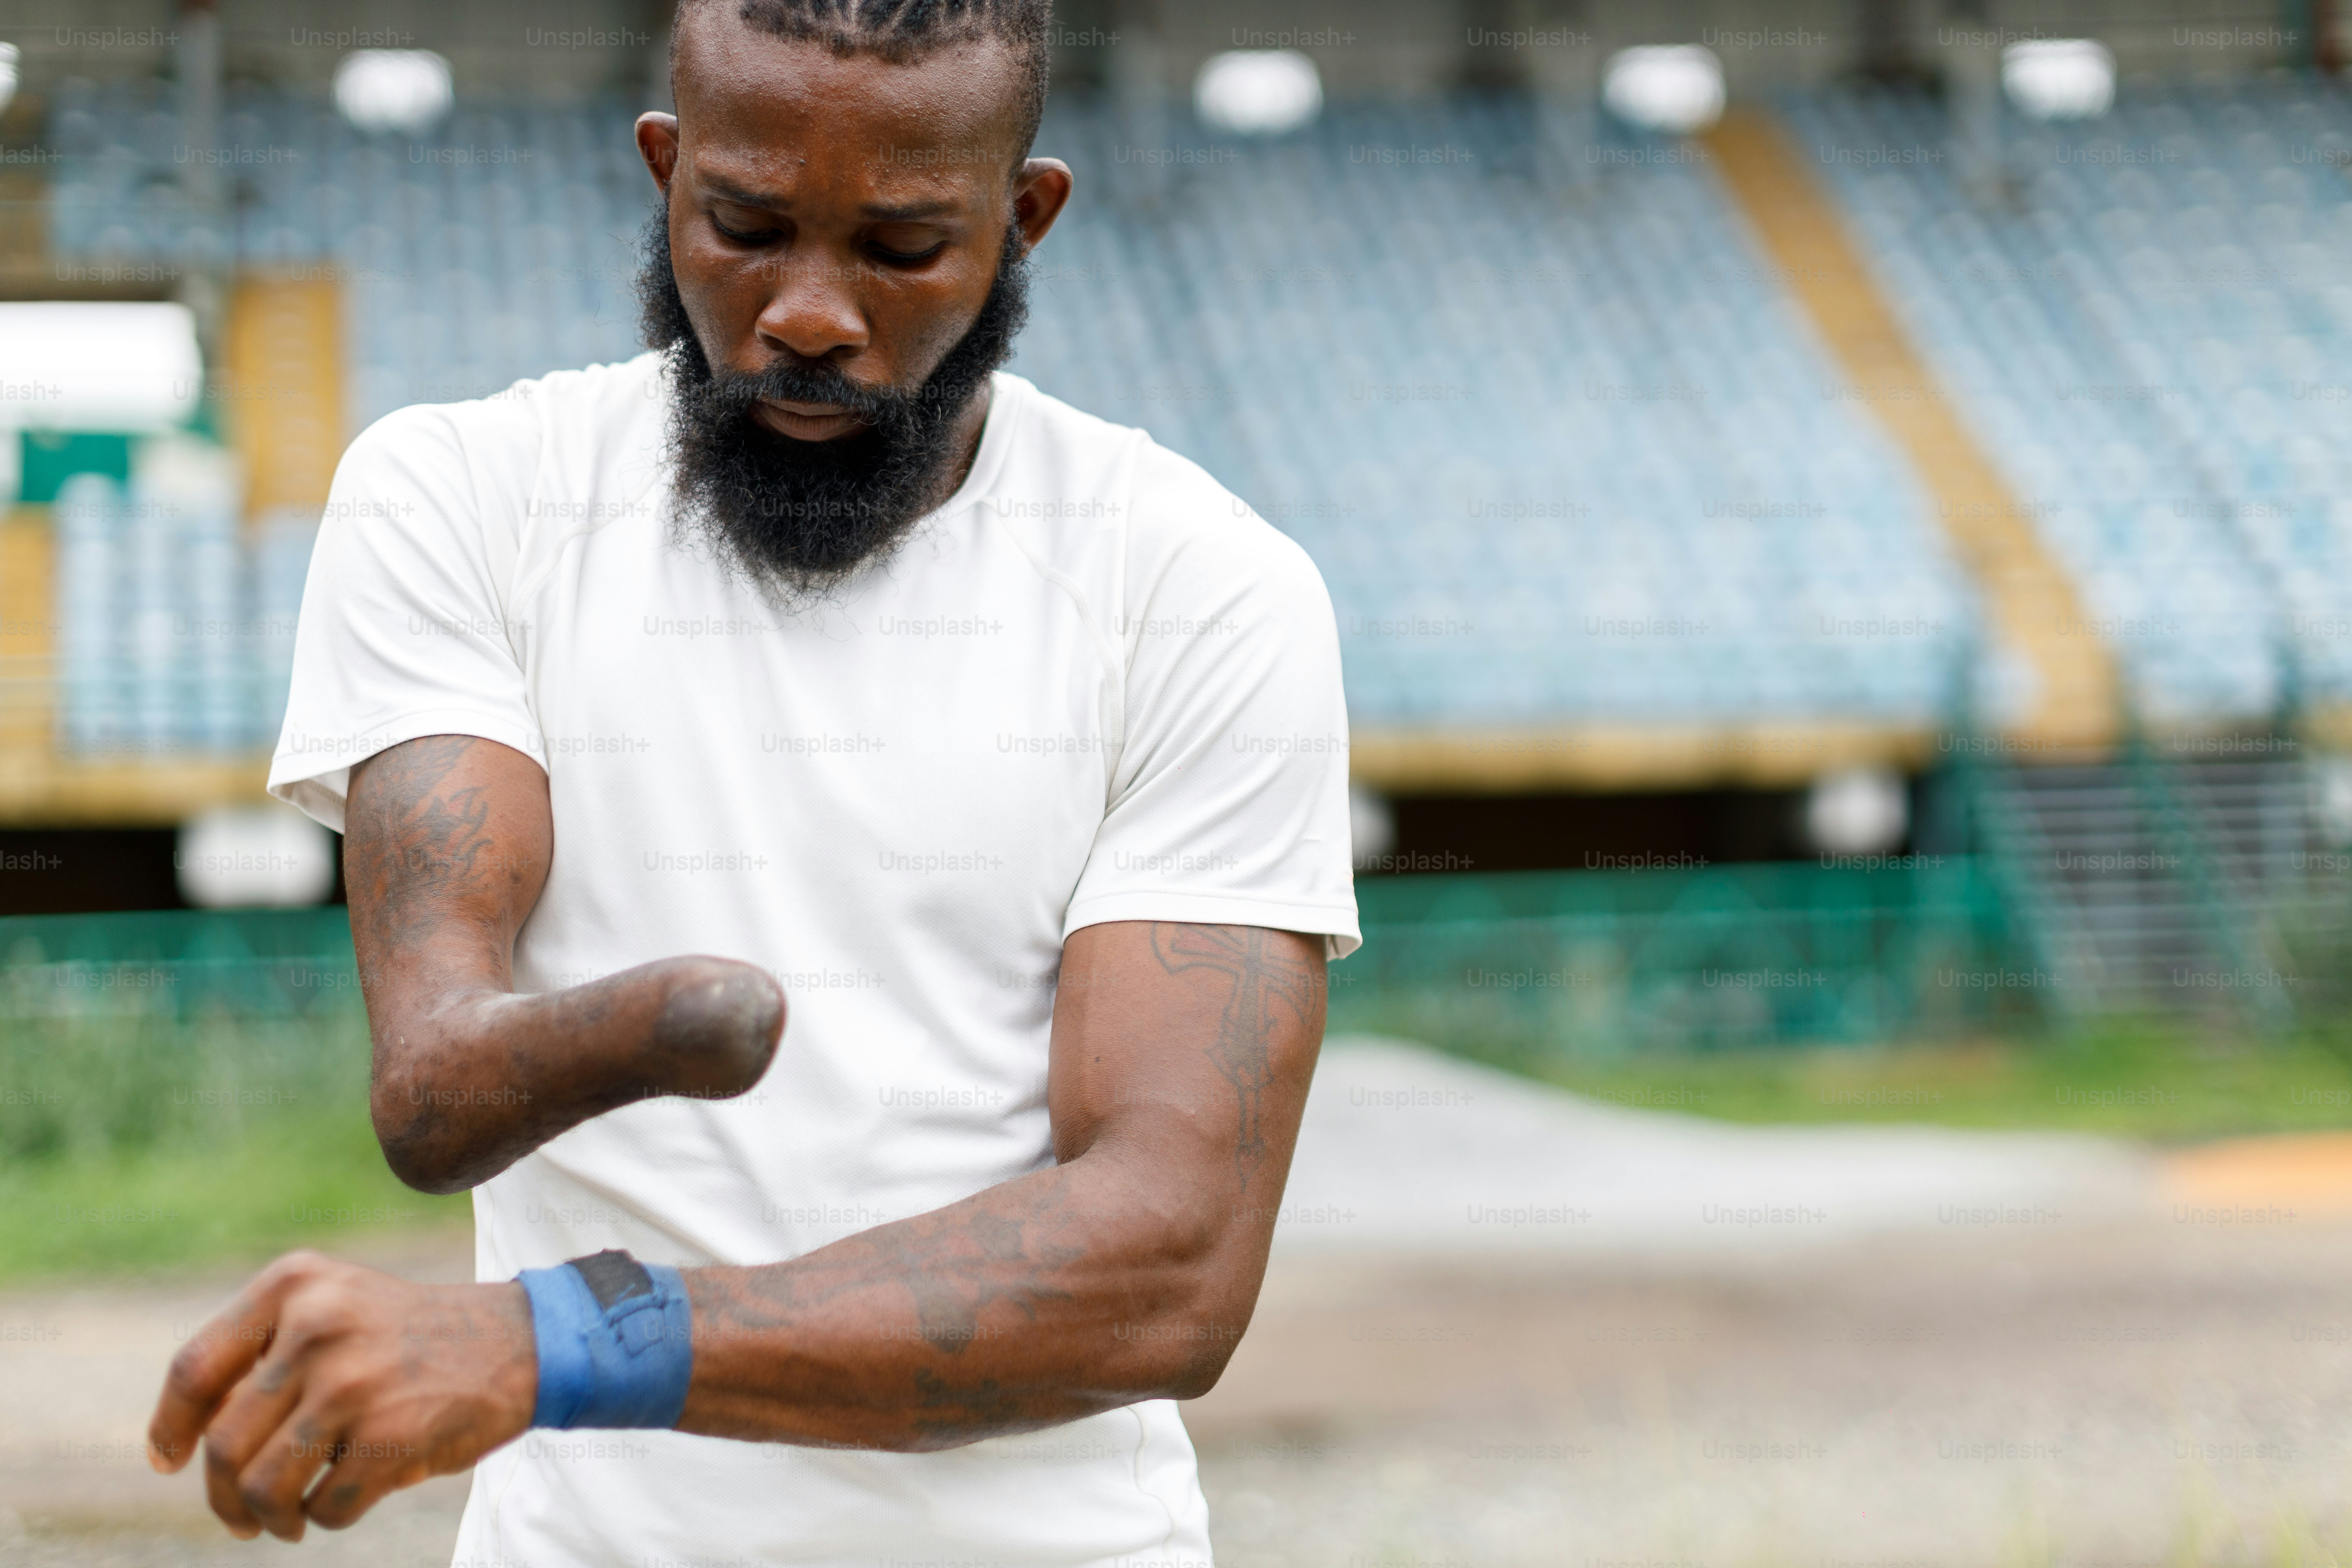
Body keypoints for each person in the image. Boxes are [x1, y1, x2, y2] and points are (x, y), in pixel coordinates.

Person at [147, 2, 1358, 1565]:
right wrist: (633, 1028)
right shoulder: (464, 500)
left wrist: (557, 1341)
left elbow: (1172, 1261)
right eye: (746, 225)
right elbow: (437, 1084)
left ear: (1024, 219)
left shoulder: (1200, 588)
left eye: (903, 248)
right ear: (665, 177)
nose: (808, 313)